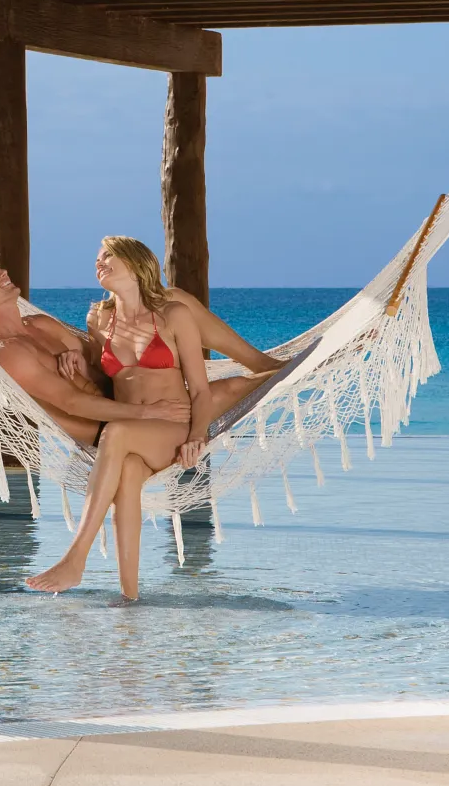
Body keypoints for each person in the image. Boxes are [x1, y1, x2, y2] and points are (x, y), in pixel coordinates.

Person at [26, 236, 276, 600]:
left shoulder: (174, 315)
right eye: (96, 259)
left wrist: (197, 436)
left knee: (116, 433)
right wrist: (75, 359)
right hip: (133, 434)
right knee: (127, 473)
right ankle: (129, 598)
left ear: (134, 262)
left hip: (173, 428)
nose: (98, 263)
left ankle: (75, 558)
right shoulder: (98, 318)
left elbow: (200, 390)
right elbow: (103, 374)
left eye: (107, 256)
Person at [0, 255, 190, 448]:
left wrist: (84, 364)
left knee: (175, 302)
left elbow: (104, 365)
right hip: (108, 429)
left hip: (129, 400)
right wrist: (149, 412)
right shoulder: (6, 353)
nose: (3, 272)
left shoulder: (41, 323)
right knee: (201, 403)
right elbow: (71, 403)